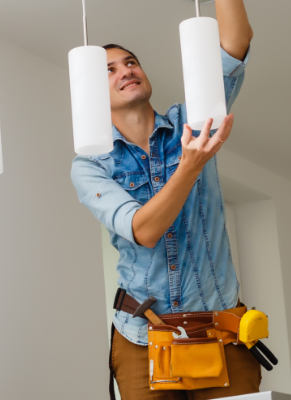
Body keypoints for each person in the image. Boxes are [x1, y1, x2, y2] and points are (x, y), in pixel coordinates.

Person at [71, 1, 257, 399]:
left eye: (131, 62)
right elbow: (145, 230)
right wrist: (189, 166)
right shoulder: (89, 167)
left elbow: (235, 42)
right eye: (110, 69)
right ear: (89, 91)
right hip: (141, 336)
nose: (127, 70)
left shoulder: (195, 122)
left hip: (223, 330)